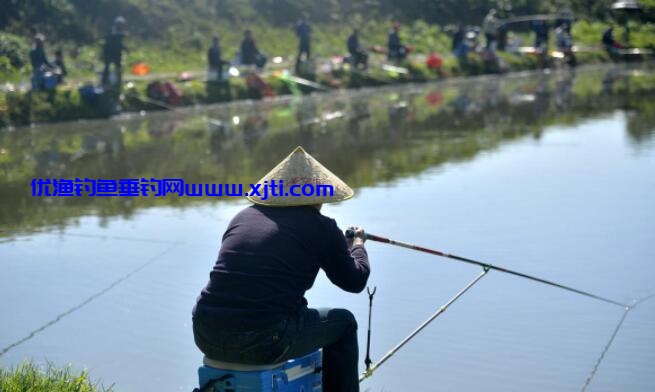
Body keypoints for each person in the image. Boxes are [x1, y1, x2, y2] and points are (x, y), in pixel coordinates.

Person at [192, 146, 370, 392]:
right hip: (265, 339)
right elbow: (355, 281)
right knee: (345, 324)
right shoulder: (321, 227)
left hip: (204, 333)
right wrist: (357, 245)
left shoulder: (243, 217)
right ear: (316, 196)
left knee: (291, 313)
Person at [102, 16, 127, 87]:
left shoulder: (121, 32)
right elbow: (110, 42)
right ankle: (104, 82)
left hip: (117, 54)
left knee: (118, 68)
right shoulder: (112, 31)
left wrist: (124, 48)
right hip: (109, 53)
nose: (121, 25)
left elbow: (120, 44)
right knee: (107, 68)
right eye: (120, 24)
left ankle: (118, 82)